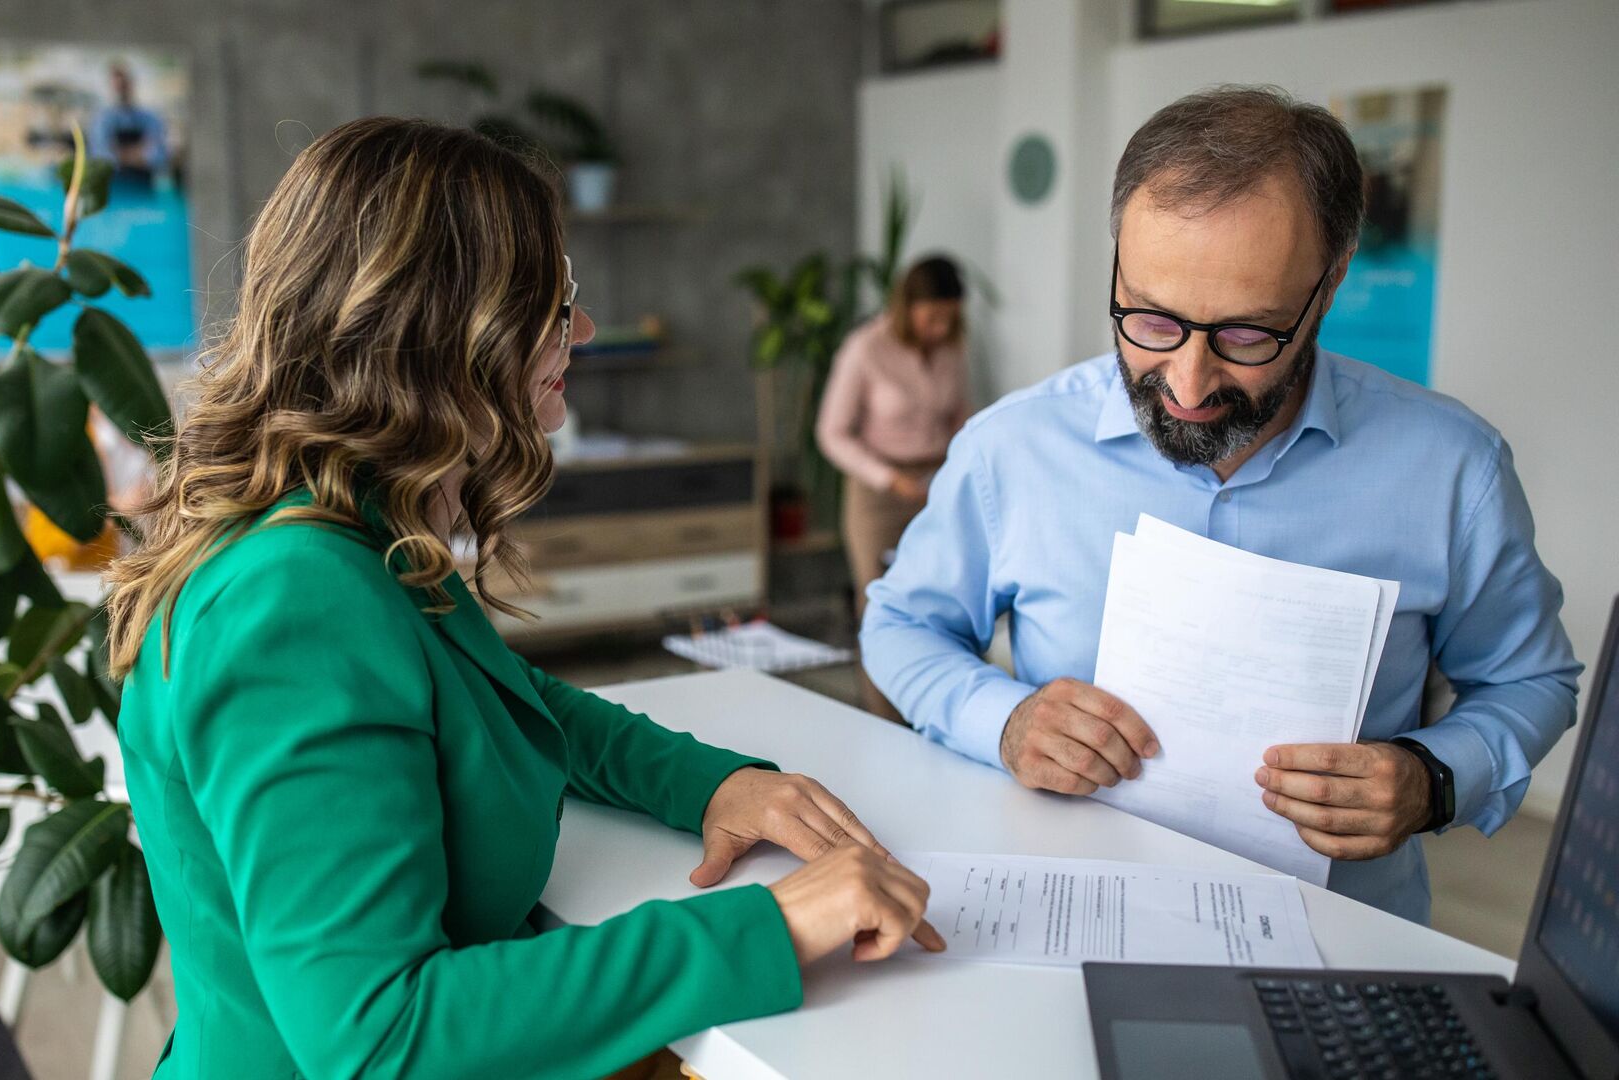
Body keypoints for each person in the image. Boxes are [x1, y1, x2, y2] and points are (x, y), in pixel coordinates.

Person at [105, 118, 943, 1080]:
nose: (580, 332)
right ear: (440, 330)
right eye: (555, 305)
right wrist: (773, 926)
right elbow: (382, 1037)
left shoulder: (346, 523)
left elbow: (503, 699)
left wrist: (710, 782)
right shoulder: (293, 602)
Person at [860, 86, 1581, 925]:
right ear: (1117, 267)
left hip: (1340, 943)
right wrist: (1006, 720)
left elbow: (1531, 678)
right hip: (1060, 923)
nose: (1189, 384)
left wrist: (1434, 777)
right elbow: (899, 625)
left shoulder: (1454, 468)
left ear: (1331, 283)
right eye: (1151, 320)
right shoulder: (1012, 449)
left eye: (1246, 334)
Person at [817, 254, 972, 721]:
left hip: (936, 486)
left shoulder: (952, 350)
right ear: (908, 307)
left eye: (950, 317)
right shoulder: (865, 349)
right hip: (878, 494)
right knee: (881, 604)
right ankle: (884, 718)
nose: (941, 328)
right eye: (932, 317)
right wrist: (890, 479)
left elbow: (961, 414)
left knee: (942, 597)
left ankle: (935, 714)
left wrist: (961, 465)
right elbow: (831, 433)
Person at [89, 60, 169, 188]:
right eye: (117, 86)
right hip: (115, 189)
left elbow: (159, 156)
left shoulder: (150, 118)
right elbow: (100, 157)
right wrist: (138, 153)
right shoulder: (102, 119)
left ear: (132, 84)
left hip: (143, 189)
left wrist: (119, 154)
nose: (121, 90)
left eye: (124, 85)